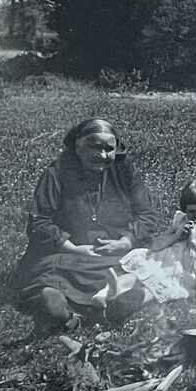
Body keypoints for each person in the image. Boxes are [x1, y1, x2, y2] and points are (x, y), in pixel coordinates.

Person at [15, 118, 160, 333]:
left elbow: (147, 215)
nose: (102, 155)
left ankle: (104, 304)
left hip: (116, 252)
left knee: (138, 265)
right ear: (78, 146)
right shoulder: (57, 173)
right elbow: (38, 222)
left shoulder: (125, 171)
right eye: (95, 147)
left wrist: (125, 241)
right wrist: (71, 247)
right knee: (53, 271)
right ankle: (62, 305)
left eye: (108, 149)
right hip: (68, 254)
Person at [95, 178, 196, 308]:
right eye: (192, 212)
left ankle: (122, 306)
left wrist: (194, 242)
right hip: (161, 264)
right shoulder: (181, 221)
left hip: (181, 275)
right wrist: (176, 236)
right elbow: (155, 245)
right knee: (134, 276)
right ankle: (107, 292)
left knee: (149, 292)